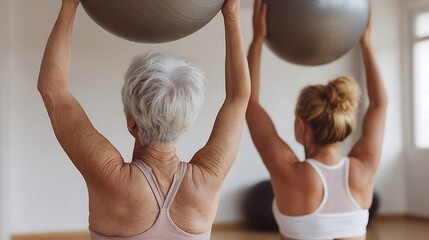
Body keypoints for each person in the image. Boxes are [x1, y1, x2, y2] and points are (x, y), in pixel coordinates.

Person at [37, 0, 250, 239]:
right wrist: (231, 15)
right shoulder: (208, 179)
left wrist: (69, 5)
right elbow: (239, 97)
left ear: (131, 121)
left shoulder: (110, 176)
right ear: (185, 120)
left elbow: (52, 87)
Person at [246, 0, 388, 239]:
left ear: (301, 125)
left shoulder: (290, 173)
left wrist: (258, 38)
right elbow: (379, 105)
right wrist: (365, 42)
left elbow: (248, 101)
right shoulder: (363, 169)